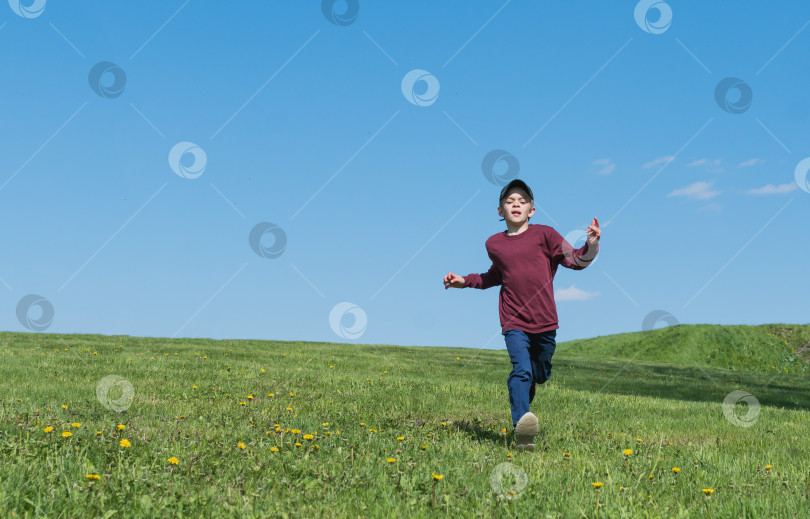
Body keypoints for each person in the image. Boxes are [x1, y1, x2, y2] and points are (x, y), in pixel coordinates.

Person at [443, 179, 601, 451]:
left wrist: (592, 245)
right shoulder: (494, 244)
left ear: (532, 211)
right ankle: (522, 428)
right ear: (500, 211)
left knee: (538, 373)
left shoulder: (546, 235)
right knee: (521, 370)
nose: (516, 204)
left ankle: (526, 403)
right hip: (513, 320)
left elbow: (575, 261)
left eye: (522, 201)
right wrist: (464, 281)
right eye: (509, 201)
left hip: (545, 321)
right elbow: (494, 276)